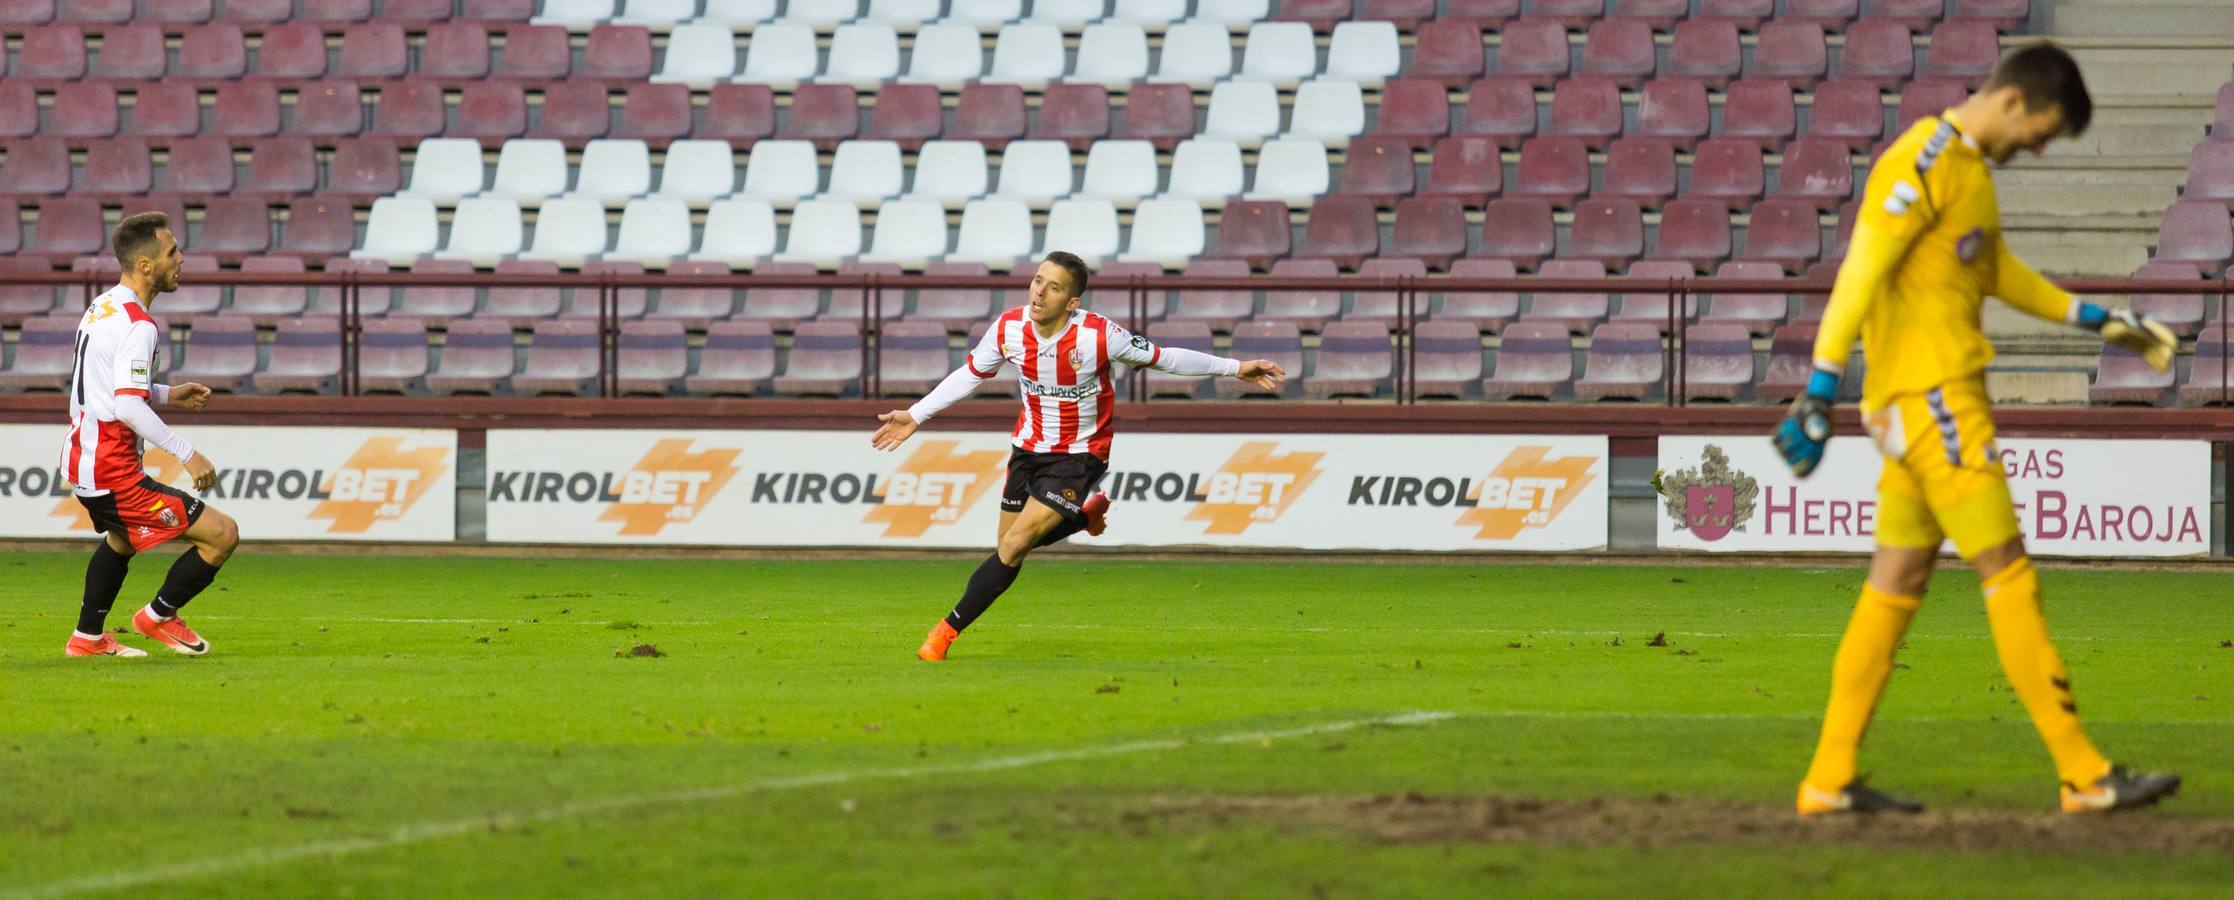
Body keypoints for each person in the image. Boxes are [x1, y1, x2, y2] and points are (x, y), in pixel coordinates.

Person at [1773, 44, 2180, 815]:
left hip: (1915, 410)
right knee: (2007, 569)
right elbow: (1860, 268)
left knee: (1895, 584)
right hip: (1934, 405)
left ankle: (1828, 778)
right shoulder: (1922, 160)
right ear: (2015, 102)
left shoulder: (1967, 172)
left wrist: (2101, 320)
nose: (2037, 149)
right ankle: (2084, 773)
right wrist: (1820, 383)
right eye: (2042, 133)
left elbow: (1996, 274)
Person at [872, 251, 1285, 661]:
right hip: (1028, 448)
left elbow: (1165, 358)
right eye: (1037, 280)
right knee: (1007, 547)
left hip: (1080, 454)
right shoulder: (1009, 328)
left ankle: (943, 634)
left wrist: (1235, 367)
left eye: (1053, 287)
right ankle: (1084, 515)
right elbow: (969, 375)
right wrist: (914, 414)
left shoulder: (1099, 336)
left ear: (1072, 302)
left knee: (1014, 545)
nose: (1039, 292)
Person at [61, 211, 240, 658]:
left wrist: (167, 392)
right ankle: (158, 616)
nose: (181, 258)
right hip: (113, 467)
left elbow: (110, 386)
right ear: (146, 266)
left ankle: (86, 639)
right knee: (222, 534)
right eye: (171, 252)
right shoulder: (140, 325)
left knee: (121, 540)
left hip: (82, 456)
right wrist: (187, 454)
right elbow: (125, 405)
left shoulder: (103, 306)